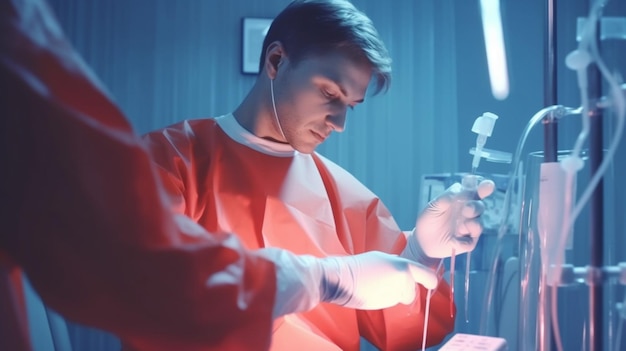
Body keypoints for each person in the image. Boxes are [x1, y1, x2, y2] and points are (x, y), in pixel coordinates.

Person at [0, 0, 491, 350]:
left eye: (352, 106)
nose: (340, 122)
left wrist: (422, 252)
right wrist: (330, 279)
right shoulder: (171, 162)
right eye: (329, 94)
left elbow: (408, 335)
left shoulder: (346, 197)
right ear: (276, 60)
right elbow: (154, 283)